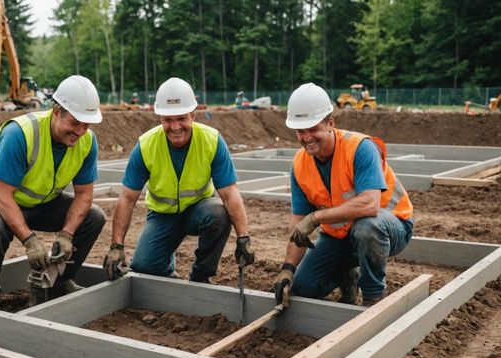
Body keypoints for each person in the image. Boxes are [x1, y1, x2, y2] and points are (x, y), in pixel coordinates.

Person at [0, 75, 106, 309]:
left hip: (39, 201)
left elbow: (84, 195)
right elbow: (2, 196)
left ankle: (60, 281)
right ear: (57, 112)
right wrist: (30, 241)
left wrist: (67, 235)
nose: (80, 131)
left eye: (86, 124)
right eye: (75, 122)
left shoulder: (87, 141)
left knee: (94, 217)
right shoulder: (21, 134)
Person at [272, 83, 413, 307]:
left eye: (313, 129)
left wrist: (316, 218)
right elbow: (299, 222)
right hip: (340, 235)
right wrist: (288, 269)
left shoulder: (360, 148)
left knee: (367, 226)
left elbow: (370, 205)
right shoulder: (300, 164)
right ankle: (348, 276)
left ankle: (373, 296)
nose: (307, 137)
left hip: (390, 226)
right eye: (301, 131)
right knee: (303, 288)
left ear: (330, 123)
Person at [103, 77, 255, 283]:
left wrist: (243, 237)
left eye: (181, 118)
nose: (175, 126)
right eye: (168, 120)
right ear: (160, 118)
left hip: (199, 210)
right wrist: (116, 247)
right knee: (143, 267)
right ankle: (167, 272)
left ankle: (200, 276)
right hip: (162, 216)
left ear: (193, 115)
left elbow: (229, 194)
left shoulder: (211, 140)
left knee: (218, 212)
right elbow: (127, 199)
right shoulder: (146, 145)